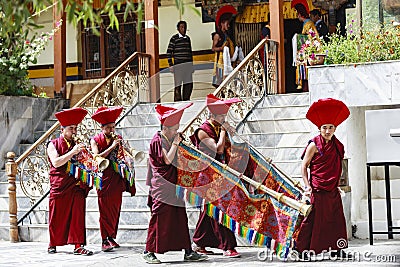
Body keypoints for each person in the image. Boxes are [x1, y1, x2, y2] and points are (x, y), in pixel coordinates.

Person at [143, 103, 208, 264]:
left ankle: (187, 251)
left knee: (180, 217)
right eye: (174, 129)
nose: (176, 132)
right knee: (158, 217)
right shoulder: (157, 140)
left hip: (174, 184)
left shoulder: (171, 137)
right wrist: (175, 144)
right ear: (165, 127)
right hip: (161, 186)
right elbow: (167, 159)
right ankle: (148, 251)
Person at [295, 98, 351, 260]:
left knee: (336, 220)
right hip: (317, 188)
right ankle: (301, 249)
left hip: (332, 189)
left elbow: (338, 165)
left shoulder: (338, 145)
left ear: (335, 128)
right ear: (319, 128)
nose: (327, 131)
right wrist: (307, 185)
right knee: (312, 219)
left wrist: (337, 183)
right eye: (324, 128)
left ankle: (337, 249)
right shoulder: (314, 145)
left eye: (331, 127)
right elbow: (304, 166)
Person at [190, 94, 242, 258]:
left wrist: (230, 133)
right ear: (212, 116)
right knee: (220, 209)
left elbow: (229, 149)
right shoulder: (202, 131)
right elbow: (218, 150)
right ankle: (228, 246)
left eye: (224, 116)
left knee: (209, 210)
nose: (223, 119)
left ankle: (199, 242)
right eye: (221, 116)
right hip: (208, 176)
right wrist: (224, 132)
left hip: (222, 174)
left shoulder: (219, 128)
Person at [47, 107, 93, 256]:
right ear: (62, 129)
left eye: (76, 128)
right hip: (60, 185)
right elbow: (56, 162)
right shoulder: (52, 144)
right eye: (71, 128)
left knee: (78, 215)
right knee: (56, 215)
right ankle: (53, 243)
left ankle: (78, 245)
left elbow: (86, 163)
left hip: (76, 185)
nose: (74, 131)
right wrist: (73, 152)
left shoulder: (78, 144)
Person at [90, 106, 136, 252]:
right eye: (108, 128)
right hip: (104, 178)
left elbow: (127, 152)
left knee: (115, 209)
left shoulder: (118, 138)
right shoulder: (95, 140)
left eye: (113, 127)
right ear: (102, 127)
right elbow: (96, 157)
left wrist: (130, 155)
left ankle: (111, 237)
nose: (112, 130)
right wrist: (112, 147)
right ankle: (104, 240)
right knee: (104, 210)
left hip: (116, 178)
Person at [212, 5, 244, 88]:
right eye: (227, 24)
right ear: (222, 23)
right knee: (220, 84)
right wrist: (221, 48)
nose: (228, 26)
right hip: (220, 63)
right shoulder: (217, 35)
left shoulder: (227, 35)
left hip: (229, 62)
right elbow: (213, 48)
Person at [293, 0, 319, 92]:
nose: (297, 16)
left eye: (297, 13)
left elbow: (312, 37)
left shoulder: (309, 24)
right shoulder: (306, 24)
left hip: (310, 50)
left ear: (300, 14)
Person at [166, 21, 194, 101]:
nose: (184, 29)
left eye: (185, 27)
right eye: (181, 27)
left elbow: (190, 52)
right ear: (178, 29)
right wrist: (171, 65)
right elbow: (169, 52)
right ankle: (178, 103)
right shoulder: (174, 38)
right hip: (178, 65)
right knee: (178, 86)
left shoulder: (188, 39)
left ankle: (186, 101)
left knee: (188, 84)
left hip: (188, 65)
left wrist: (192, 65)